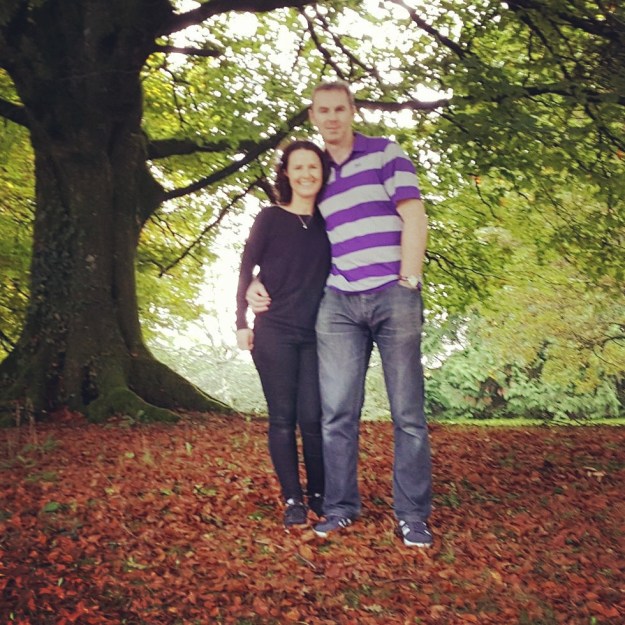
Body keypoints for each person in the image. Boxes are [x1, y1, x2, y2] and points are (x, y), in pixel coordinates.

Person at [247, 81, 433, 547]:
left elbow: (414, 216)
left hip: (393, 294)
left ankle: (412, 515)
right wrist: (254, 281)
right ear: (313, 116)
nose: (331, 117)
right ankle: (341, 507)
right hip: (340, 303)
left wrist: (409, 280)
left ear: (352, 111)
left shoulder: (385, 153)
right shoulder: (317, 171)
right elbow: (291, 234)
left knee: (407, 413)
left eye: (339, 109)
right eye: (322, 110)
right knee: (336, 413)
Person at [235, 140, 331, 528]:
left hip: (317, 335)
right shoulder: (270, 218)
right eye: (298, 167)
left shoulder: (330, 222)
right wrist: (241, 321)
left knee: (313, 418)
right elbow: (246, 267)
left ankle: (320, 495)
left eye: (313, 167)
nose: (306, 174)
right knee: (282, 418)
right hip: (274, 331)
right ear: (287, 174)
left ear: (322, 173)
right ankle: (293, 499)